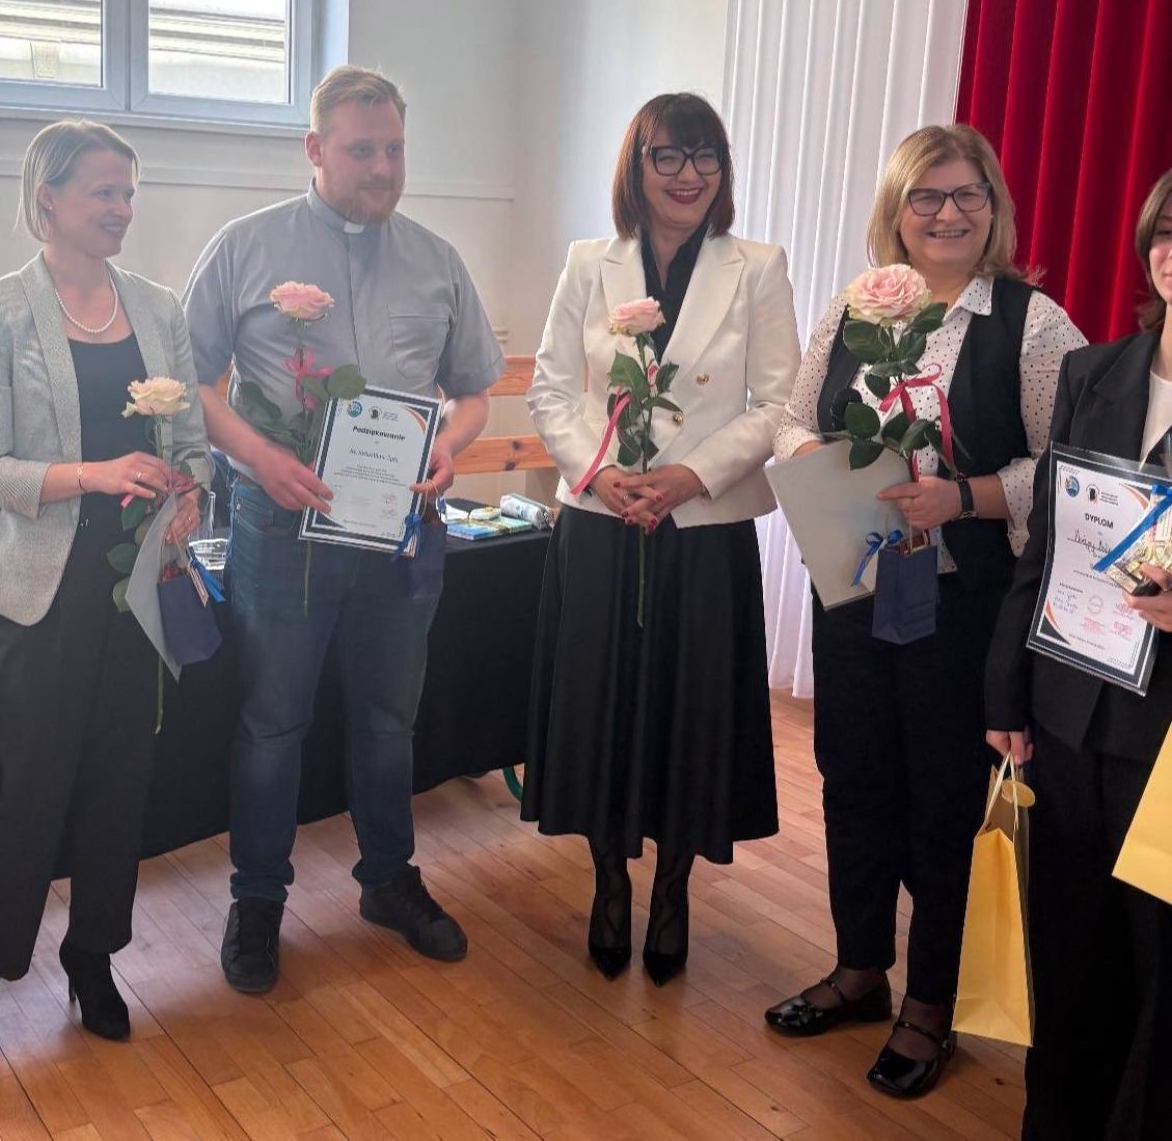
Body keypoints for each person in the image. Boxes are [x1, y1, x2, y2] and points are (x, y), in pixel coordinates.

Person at [764, 124, 1085, 1097]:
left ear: (993, 206)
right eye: (925, 197)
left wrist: (965, 495)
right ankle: (860, 967)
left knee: (943, 797)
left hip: (964, 600)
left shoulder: (1031, 324)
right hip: (857, 585)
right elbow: (792, 416)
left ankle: (931, 1004)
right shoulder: (854, 305)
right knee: (852, 774)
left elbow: (1068, 465)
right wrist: (824, 464)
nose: (947, 213)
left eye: (966, 194)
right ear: (895, 212)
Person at [184, 65, 503, 993]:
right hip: (281, 524)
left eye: (394, 148)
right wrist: (258, 458)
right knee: (273, 720)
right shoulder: (245, 247)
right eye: (362, 150)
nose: (383, 167)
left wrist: (449, 443)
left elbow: (474, 391)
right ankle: (257, 900)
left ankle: (388, 879)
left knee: (388, 717)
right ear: (315, 149)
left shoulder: (437, 258)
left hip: (402, 527)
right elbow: (193, 382)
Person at [0, 120, 211, 1068]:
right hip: (40, 594)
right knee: (32, 790)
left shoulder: (159, 307)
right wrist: (93, 475)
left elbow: (191, 447)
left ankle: (93, 954)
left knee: (119, 783)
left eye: (129, 193)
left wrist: (188, 495)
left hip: (138, 590)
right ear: (48, 196)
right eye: (103, 191)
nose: (121, 209)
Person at [522, 92, 801, 986]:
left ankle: (674, 887)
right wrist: (599, 472)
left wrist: (690, 475)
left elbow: (779, 403)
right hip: (603, 521)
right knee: (600, 705)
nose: (688, 175)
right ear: (636, 167)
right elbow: (551, 390)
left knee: (692, 712)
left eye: (705, 156)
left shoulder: (757, 266)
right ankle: (609, 878)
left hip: (702, 527)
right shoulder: (588, 261)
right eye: (668, 156)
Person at [985, 168, 1172, 1140]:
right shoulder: (1092, 373)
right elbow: (1049, 544)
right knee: (1065, 951)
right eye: (1167, 233)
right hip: (1067, 709)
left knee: (1155, 967)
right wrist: (1005, 687)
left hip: (1164, 739)